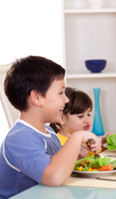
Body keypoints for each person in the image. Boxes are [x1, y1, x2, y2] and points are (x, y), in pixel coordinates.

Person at [0, 56, 101, 199]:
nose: (66, 100)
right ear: (37, 98)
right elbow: (53, 177)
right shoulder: (20, 137)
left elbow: (57, 165)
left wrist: (77, 155)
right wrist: (77, 136)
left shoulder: (49, 132)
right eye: (61, 93)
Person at [50, 87, 111, 158]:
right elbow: (60, 165)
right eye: (80, 116)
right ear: (62, 119)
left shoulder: (87, 139)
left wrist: (104, 145)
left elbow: (95, 156)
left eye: (88, 114)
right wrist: (77, 158)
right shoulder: (57, 143)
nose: (87, 120)